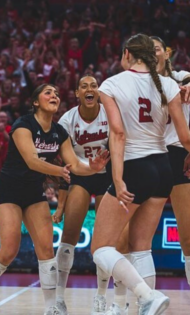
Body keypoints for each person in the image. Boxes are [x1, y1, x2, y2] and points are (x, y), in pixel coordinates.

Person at [0, 84, 109, 315]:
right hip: (9, 191)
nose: (54, 96)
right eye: (48, 93)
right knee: (9, 250)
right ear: (35, 102)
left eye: (57, 93)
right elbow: (32, 161)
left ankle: (51, 308)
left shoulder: (60, 132)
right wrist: (58, 171)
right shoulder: (23, 125)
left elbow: (75, 165)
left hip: (33, 192)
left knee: (46, 251)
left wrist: (93, 168)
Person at [91, 34, 190, 315]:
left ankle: (146, 296)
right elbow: (185, 134)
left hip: (134, 166)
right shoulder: (168, 84)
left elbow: (117, 133)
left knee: (101, 248)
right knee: (141, 248)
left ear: (127, 54)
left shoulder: (112, 84)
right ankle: (146, 307)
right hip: (163, 167)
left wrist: (117, 177)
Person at [152, 36, 190, 315]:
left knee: (189, 240)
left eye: (157, 48)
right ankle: (131, 302)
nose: (152, 52)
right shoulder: (132, 81)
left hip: (177, 156)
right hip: (147, 157)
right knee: (136, 241)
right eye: (147, 49)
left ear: (167, 53)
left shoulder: (179, 76)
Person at [52, 75, 111, 315]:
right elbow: (65, 166)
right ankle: (58, 299)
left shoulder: (110, 113)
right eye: (84, 86)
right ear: (77, 93)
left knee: (106, 240)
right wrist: (60, 205)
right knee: (69, 236)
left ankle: (101, 297)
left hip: (108, 175)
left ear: (99, 91)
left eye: (94, 85)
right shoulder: (67, 120)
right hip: (80, 175)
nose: (89, 89)